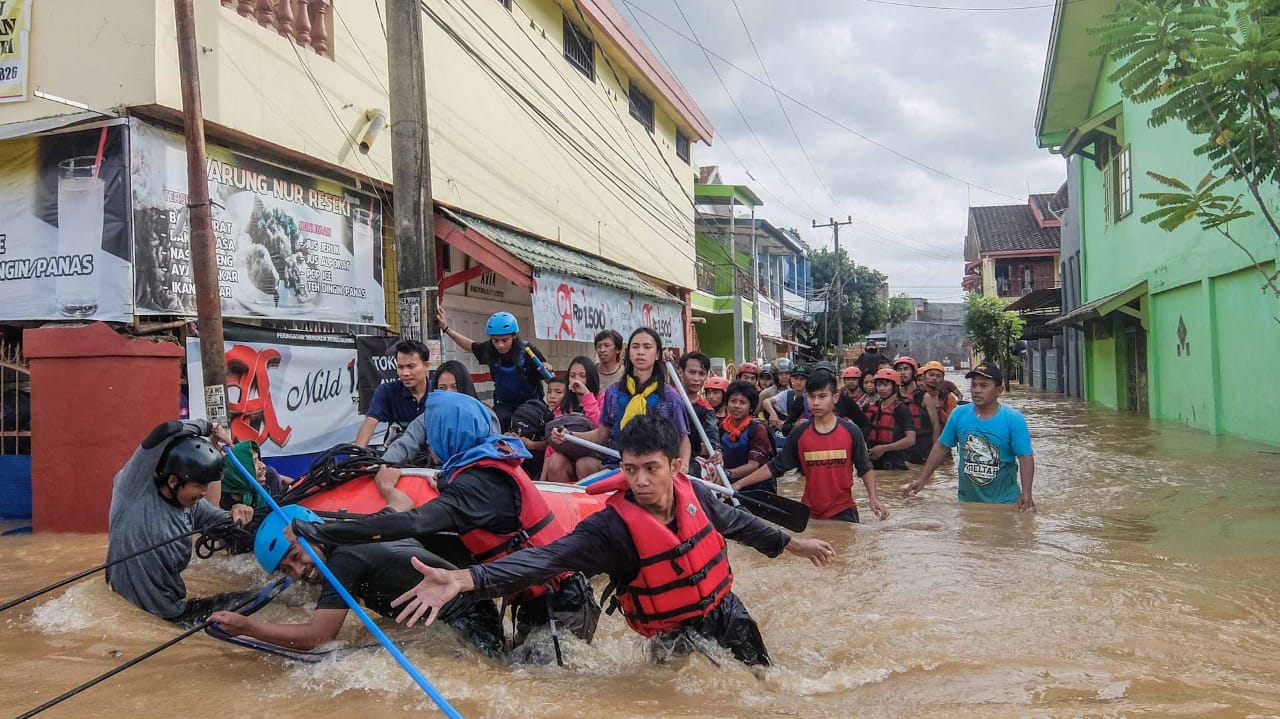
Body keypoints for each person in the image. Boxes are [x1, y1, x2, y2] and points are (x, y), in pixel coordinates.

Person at [386, 415, 837, 667]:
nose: (639, 481)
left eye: (651, 469)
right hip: (669, 631)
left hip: (724, 610)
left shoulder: (695, 492)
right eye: (630, 469)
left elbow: (738, 524)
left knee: (767, 679)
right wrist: (465, 579)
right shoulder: (610, 529)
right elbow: (544, 559)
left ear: (674, 468)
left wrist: (795, 545)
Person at [291, 391, 600, 656]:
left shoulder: (478, 485)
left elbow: (410, 523)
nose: (428, 442)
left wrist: (324, 530)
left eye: (432, 433)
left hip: (561, 606)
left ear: (449, 434)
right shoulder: (487, 467)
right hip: (545, 602)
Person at [209, 503, 505, 658]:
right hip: (478, 607)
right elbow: (401, 505)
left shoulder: (344, 562)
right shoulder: (360, 527)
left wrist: (248, 627)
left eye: (297, 556)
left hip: (467, 624)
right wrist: (387, 487)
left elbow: (318, 638)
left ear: (313, 533)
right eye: (287, 570)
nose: (299, 571)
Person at [105, 419, 255, 626]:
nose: (204, 493)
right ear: (174, 481)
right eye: (199, 485)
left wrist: (237, 514)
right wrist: (209, 427)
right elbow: (165, 431)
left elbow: (225, 524)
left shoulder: (192, 505)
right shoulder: (133, 489)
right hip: (135, 616)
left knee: (258, 600)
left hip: (175, 610)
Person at [735, 373, 888, 523]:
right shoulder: (800, 433)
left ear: (834, 398)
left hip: (843, 512)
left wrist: (873, 498)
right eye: (811, 396)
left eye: (822, 397)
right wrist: (739, 484)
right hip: (809, 514)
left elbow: (865, 468)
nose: (815, 402)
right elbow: (777, 466)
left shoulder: (851, 432)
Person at [551, 327, 691, 467]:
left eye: (647, 347)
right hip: (619, 465)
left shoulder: (670, 397)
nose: (640, 352)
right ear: (629, 353)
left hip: (654, 469)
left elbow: (683, 440)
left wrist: (683, 467)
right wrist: (569, 435)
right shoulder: (614, 392)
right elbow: (601, 434)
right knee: (584, 469)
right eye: (635, 347)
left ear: (657, 354)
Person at [906, 363, 1036, 510]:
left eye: (983, 385)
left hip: (1004, 503)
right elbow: (942, 447)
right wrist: (923, 479)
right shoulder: (958, 414)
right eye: (973, 385)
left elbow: (1025, 457)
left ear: (999, 390)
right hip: (967, 503)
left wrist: (1026, 493)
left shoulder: (1013, 419)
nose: (976, 390)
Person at [438, 308, 549, 431]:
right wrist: (446, 329)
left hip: (530, 408)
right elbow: (470, 346)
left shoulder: (528, 351)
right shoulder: (490, 349)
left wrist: (547, 369)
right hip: (504, 407)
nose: (500, 345)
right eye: (495, 340)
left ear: (514, 336)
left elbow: (550, 378)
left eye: (504, 340)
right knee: (492, 424)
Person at [354, 340, 431, 448]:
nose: (405, 373)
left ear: (426, 365)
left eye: (411, 366)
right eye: (400, 367)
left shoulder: (438, 393)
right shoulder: (386, 391)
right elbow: (370, 422)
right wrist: (356, 455)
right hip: (396, 456)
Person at [540, 375, 604, 484]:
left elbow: (600, 426)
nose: (576, 381)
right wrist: (541, 481)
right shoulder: (560, 410)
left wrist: (587, 395)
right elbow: (550, 448)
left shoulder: (602, 397)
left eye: (582, 376)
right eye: (572, 376)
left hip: (596, 456)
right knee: (555, 461)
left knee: (583, 464)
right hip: (567, 460)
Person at [718, 381, 775, 493]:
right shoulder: (722, 427)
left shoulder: (758, 429)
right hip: (729, 483)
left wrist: (726, 474)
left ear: (750, 407)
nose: (737, 406)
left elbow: (753, 466)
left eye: (743, 402)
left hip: (757, 488)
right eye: (733, 401)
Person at [677, 351, 722, 479]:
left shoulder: (706, 409)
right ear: (681, 371)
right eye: (692, 372)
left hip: (689, 464)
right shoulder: (669, 398)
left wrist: (717, 452)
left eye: (701, 374)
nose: (697, 378)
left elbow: (712, 437)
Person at [863, 368, 916, 471]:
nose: (881, 389)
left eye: (885, 385)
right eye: (878, 385)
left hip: (895, 465)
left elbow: (911, 440)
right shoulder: (870, 408)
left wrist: (884, 448)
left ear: (894, 387)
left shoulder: (901, 409)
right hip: (874, 465)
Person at [217, 440, 290, 513]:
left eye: (258, 459)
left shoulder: (269, 478)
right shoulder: (219, 504)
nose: (262, 465)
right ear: (237, 471)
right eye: (254, 461)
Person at [435, 359, 502, 434]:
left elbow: (494, 443)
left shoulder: (484, 414)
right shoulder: (431, 415)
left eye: (454, 387)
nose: (448, 392)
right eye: (442, 388)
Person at [893, 357, 939, 465]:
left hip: (922, 448)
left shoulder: (925, 396)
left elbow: (935, 425)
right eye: (899, 369)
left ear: (913, 372)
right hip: (902, 448)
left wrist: (935, 450)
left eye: (906, 369)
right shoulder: (894, 397)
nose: (902, 373)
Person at [919, 361, 958, 429]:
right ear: (924, 376)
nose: (934, 378)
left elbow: (952, 423)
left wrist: (939, 410)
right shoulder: (915, 396)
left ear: (942, 379)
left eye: (938, 376)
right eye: (931, 375)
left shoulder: (949, 398)